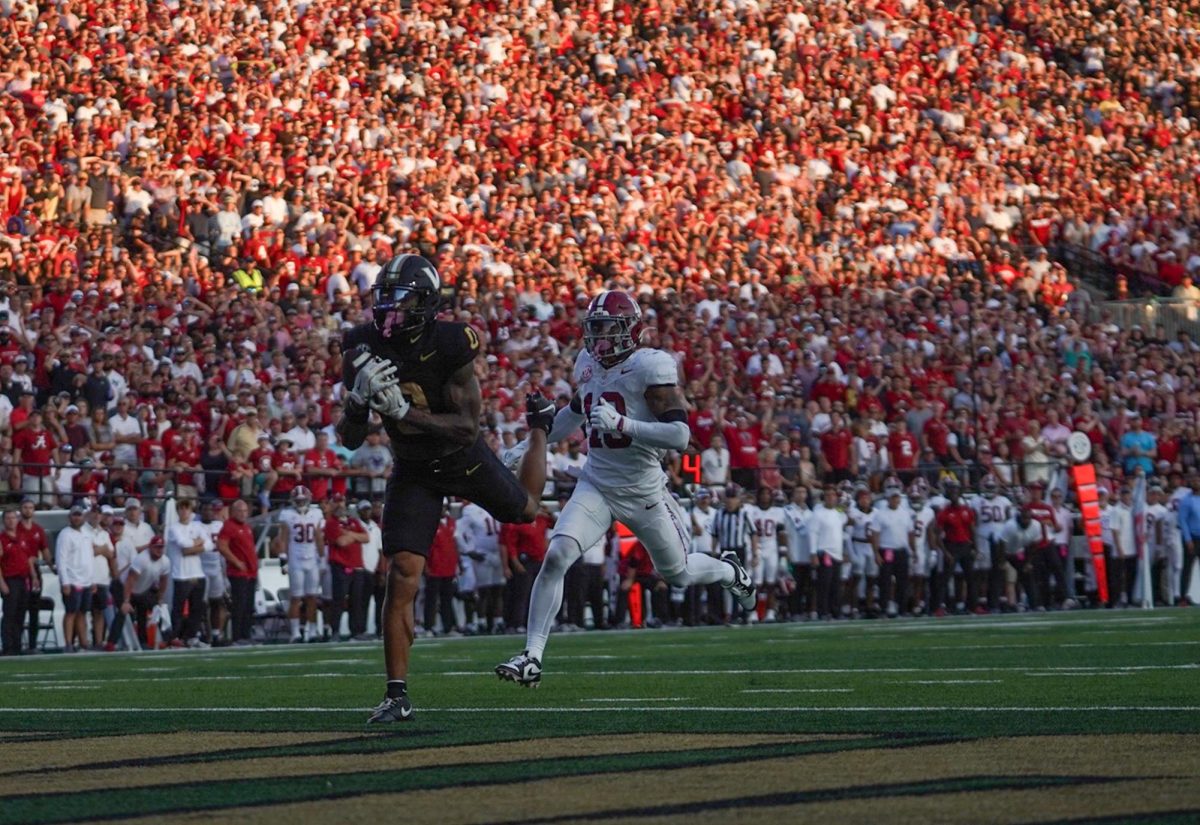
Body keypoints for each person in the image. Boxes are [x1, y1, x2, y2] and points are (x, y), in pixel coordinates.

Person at [497, 291, 755, 687]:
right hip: (597, 483)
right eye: (594, 329)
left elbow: (680, 435)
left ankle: (728, 571)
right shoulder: (588, 363)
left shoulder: (650, 367)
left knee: (680, 574)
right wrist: (524, 446)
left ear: (630, 331)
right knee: (557, 555)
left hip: (644, 490)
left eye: (607, 329)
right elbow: (574, 414)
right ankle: (532, 655)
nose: (599, 339)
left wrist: (623, 425)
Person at [336, 254, 552, 723]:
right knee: (403, 572)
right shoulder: (360, 345)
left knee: (525, 511)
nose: (389, 309)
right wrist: (355, 404)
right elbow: (348, 440)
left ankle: (539, 429)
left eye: (401, 299)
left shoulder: (453, 342)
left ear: (428, 303)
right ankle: (397, 694)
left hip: (461, 458)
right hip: (413, 467)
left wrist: (402, 415)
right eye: (385, 298)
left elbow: (466, 427)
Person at [273, 486, 326, 643]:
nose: (300, 502)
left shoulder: (316, 513)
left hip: (312, 560)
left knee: (312, 597)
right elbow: (282, 537)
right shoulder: (287, 514)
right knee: (296, 597)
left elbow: (319, 537)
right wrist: (283, 559)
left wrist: (322, 558)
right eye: (298, 500)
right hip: (295, 560)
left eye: (303, 500)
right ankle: (295, 633)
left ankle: (312, 630)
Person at [456, 500, 505, 634]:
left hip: (496, 553)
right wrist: (468, 550)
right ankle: (483, 622)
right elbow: (457, 533)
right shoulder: (473, 509)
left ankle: (496, 622)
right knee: (485, 591)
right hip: (485, 554)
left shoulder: (494, 506)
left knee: (496, 590)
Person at [167, 498, 210, 647]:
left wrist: (192, 548)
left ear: (191, 511)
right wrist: (198, 543)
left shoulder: (197, 526)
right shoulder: (174, 528)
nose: (184, 511)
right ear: (178, 511)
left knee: (197, 608)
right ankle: (175, 637)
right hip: (181, 575)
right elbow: (182, 544)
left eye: (187, 508)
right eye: (181, 508)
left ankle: (192, 637)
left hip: (197, 573)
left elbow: (209, 544)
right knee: (178, 608)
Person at [218, 499, 258, 645]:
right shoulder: (229, 526)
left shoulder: (247, 527)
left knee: (248, 605)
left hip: (251, 572)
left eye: (244, 511)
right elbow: (222, 546)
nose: (242, 514)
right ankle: (237, 637)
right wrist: (236, 562)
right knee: (239, 605)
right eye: (239, 511)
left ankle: (246, 635)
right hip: (239, 573)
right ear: (233, 512)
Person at [872, 483, 915, 618]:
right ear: (888, 499)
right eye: (893, 497)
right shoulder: (881, 514)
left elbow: (910, 533)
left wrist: (913, 550)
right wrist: (876, 553)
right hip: (887, 550)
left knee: (903, 581)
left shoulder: (905, 513)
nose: (896, 500)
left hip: (901, 550)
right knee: (885, 581)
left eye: (897, 497)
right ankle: (884, 608)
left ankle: (902, 608)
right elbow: (875, 534)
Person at [55, 504, 93, 652]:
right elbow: (61, 559)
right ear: (69, 517)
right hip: (72, 579)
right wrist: (65, 582)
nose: (77, 518)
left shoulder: (86, 533)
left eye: (79, 515)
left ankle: (83, 642)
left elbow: (89, 557)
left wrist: (91, 579)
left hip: (86, 580)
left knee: (83, 613)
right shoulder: (65, 534)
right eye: (74, 515)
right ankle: (68, 643)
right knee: (71, 612)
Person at [746, 487, 787, 622]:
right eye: (762, 494)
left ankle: (770, 612)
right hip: (757, 548)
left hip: (771, 549)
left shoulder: (777, 512)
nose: (765, 497)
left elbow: (781, 534)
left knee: (771, 583)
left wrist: (783, 553)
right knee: (756, 583)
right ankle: (753, 612)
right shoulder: (752, 511)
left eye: (767, 494)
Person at [122, 537, 172, 647]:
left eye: (161, 547)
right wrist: (126, 600)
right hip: (125, 588)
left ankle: (163, 639)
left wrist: (160, 597)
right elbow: (130, 580)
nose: (159, 550)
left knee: (157, 610)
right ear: (150, 547)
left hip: (143, 589)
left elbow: (164, 581)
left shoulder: (165, 561)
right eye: (156, 547)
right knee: (122, 614)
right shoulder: (142, 559)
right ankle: (113, 641)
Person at [0, 509, 36, 655]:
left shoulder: (22, 537)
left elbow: (29, 559)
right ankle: (8, 646)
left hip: (23, 579)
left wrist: (33, 576)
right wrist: (2, 583)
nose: (11, 520)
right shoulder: (2, 539)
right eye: (8, 518)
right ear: (3, 521)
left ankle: (17, 645)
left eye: (13, 518)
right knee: (9, 614)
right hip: (10, 579)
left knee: (21, 613)